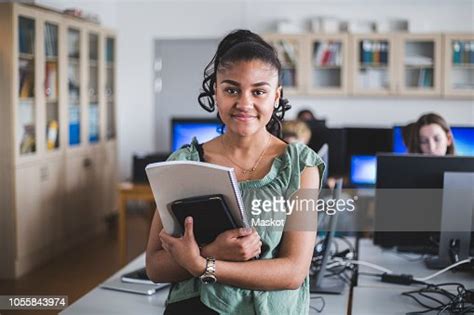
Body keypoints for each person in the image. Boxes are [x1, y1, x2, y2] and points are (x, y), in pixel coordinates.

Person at [146, 29, 325, 315]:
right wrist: (211, 251)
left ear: (276, 97)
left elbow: (293, 272)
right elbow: (155, 266)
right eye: (231, 89)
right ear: (215, 91)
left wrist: (202, 266)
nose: (244, 103)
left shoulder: (301, 166)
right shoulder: (184, 162)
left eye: (259, 91)